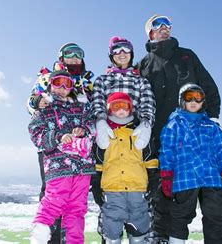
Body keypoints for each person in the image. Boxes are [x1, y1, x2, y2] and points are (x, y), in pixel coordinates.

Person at [138, 15, 222, 243]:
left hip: (200, 133)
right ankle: (162, 235)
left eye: (167, 26)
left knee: (215, 188)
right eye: (158, 27)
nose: (164, 30)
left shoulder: (186, 56)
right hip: (164, 139)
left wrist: (214, 118)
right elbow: (135, 99)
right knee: (164, 190)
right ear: (150, 33)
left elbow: (208, 86)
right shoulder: (144, 65)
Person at [27, 43, 94, 243]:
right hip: (58, 163)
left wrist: (85, 131)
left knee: (76, 208)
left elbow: (91, 117)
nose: (63, 87)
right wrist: (56, 137)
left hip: (81, 165)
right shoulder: (46, 101)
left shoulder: (83, 94)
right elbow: (35, 125)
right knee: (53, 201)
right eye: (58, 84)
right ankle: (43, 238)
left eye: (78, 55)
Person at [92, 36, 156, 241]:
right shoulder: (103, 80)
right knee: (112, 216)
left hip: (133, 135)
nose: (121, 54)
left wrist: (146, 123)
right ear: (111, 55)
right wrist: (100, 122)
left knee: (139, 214)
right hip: (109, 134)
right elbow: (97, 102)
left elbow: (147, 103)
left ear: (131, 54)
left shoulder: (140, 81)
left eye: (125, 50)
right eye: (117, 51)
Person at [159, 83, 222, 243]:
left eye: (198, 97)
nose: (194, 101)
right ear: (182, 100)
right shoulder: (173, 125)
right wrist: (166, 175)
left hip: (211, 177)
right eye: (189, 97)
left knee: (216, 214)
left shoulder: (211, 126)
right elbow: (166, 152)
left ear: (203, 102)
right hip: (184, 179)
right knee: (181, 214)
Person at [97, 92, 150, 244]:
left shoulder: (139, 131)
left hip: (137, 186)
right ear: (109, 109)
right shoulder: (105, 132)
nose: (120, 110)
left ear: (130, 108)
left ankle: (138, 239)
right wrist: (96, 181)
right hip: (112, 187)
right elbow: (98, 160)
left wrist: (153, 177)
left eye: (124, 106)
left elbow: (149, 157)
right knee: (112, 220)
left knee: (139, 218)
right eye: (116, 106)